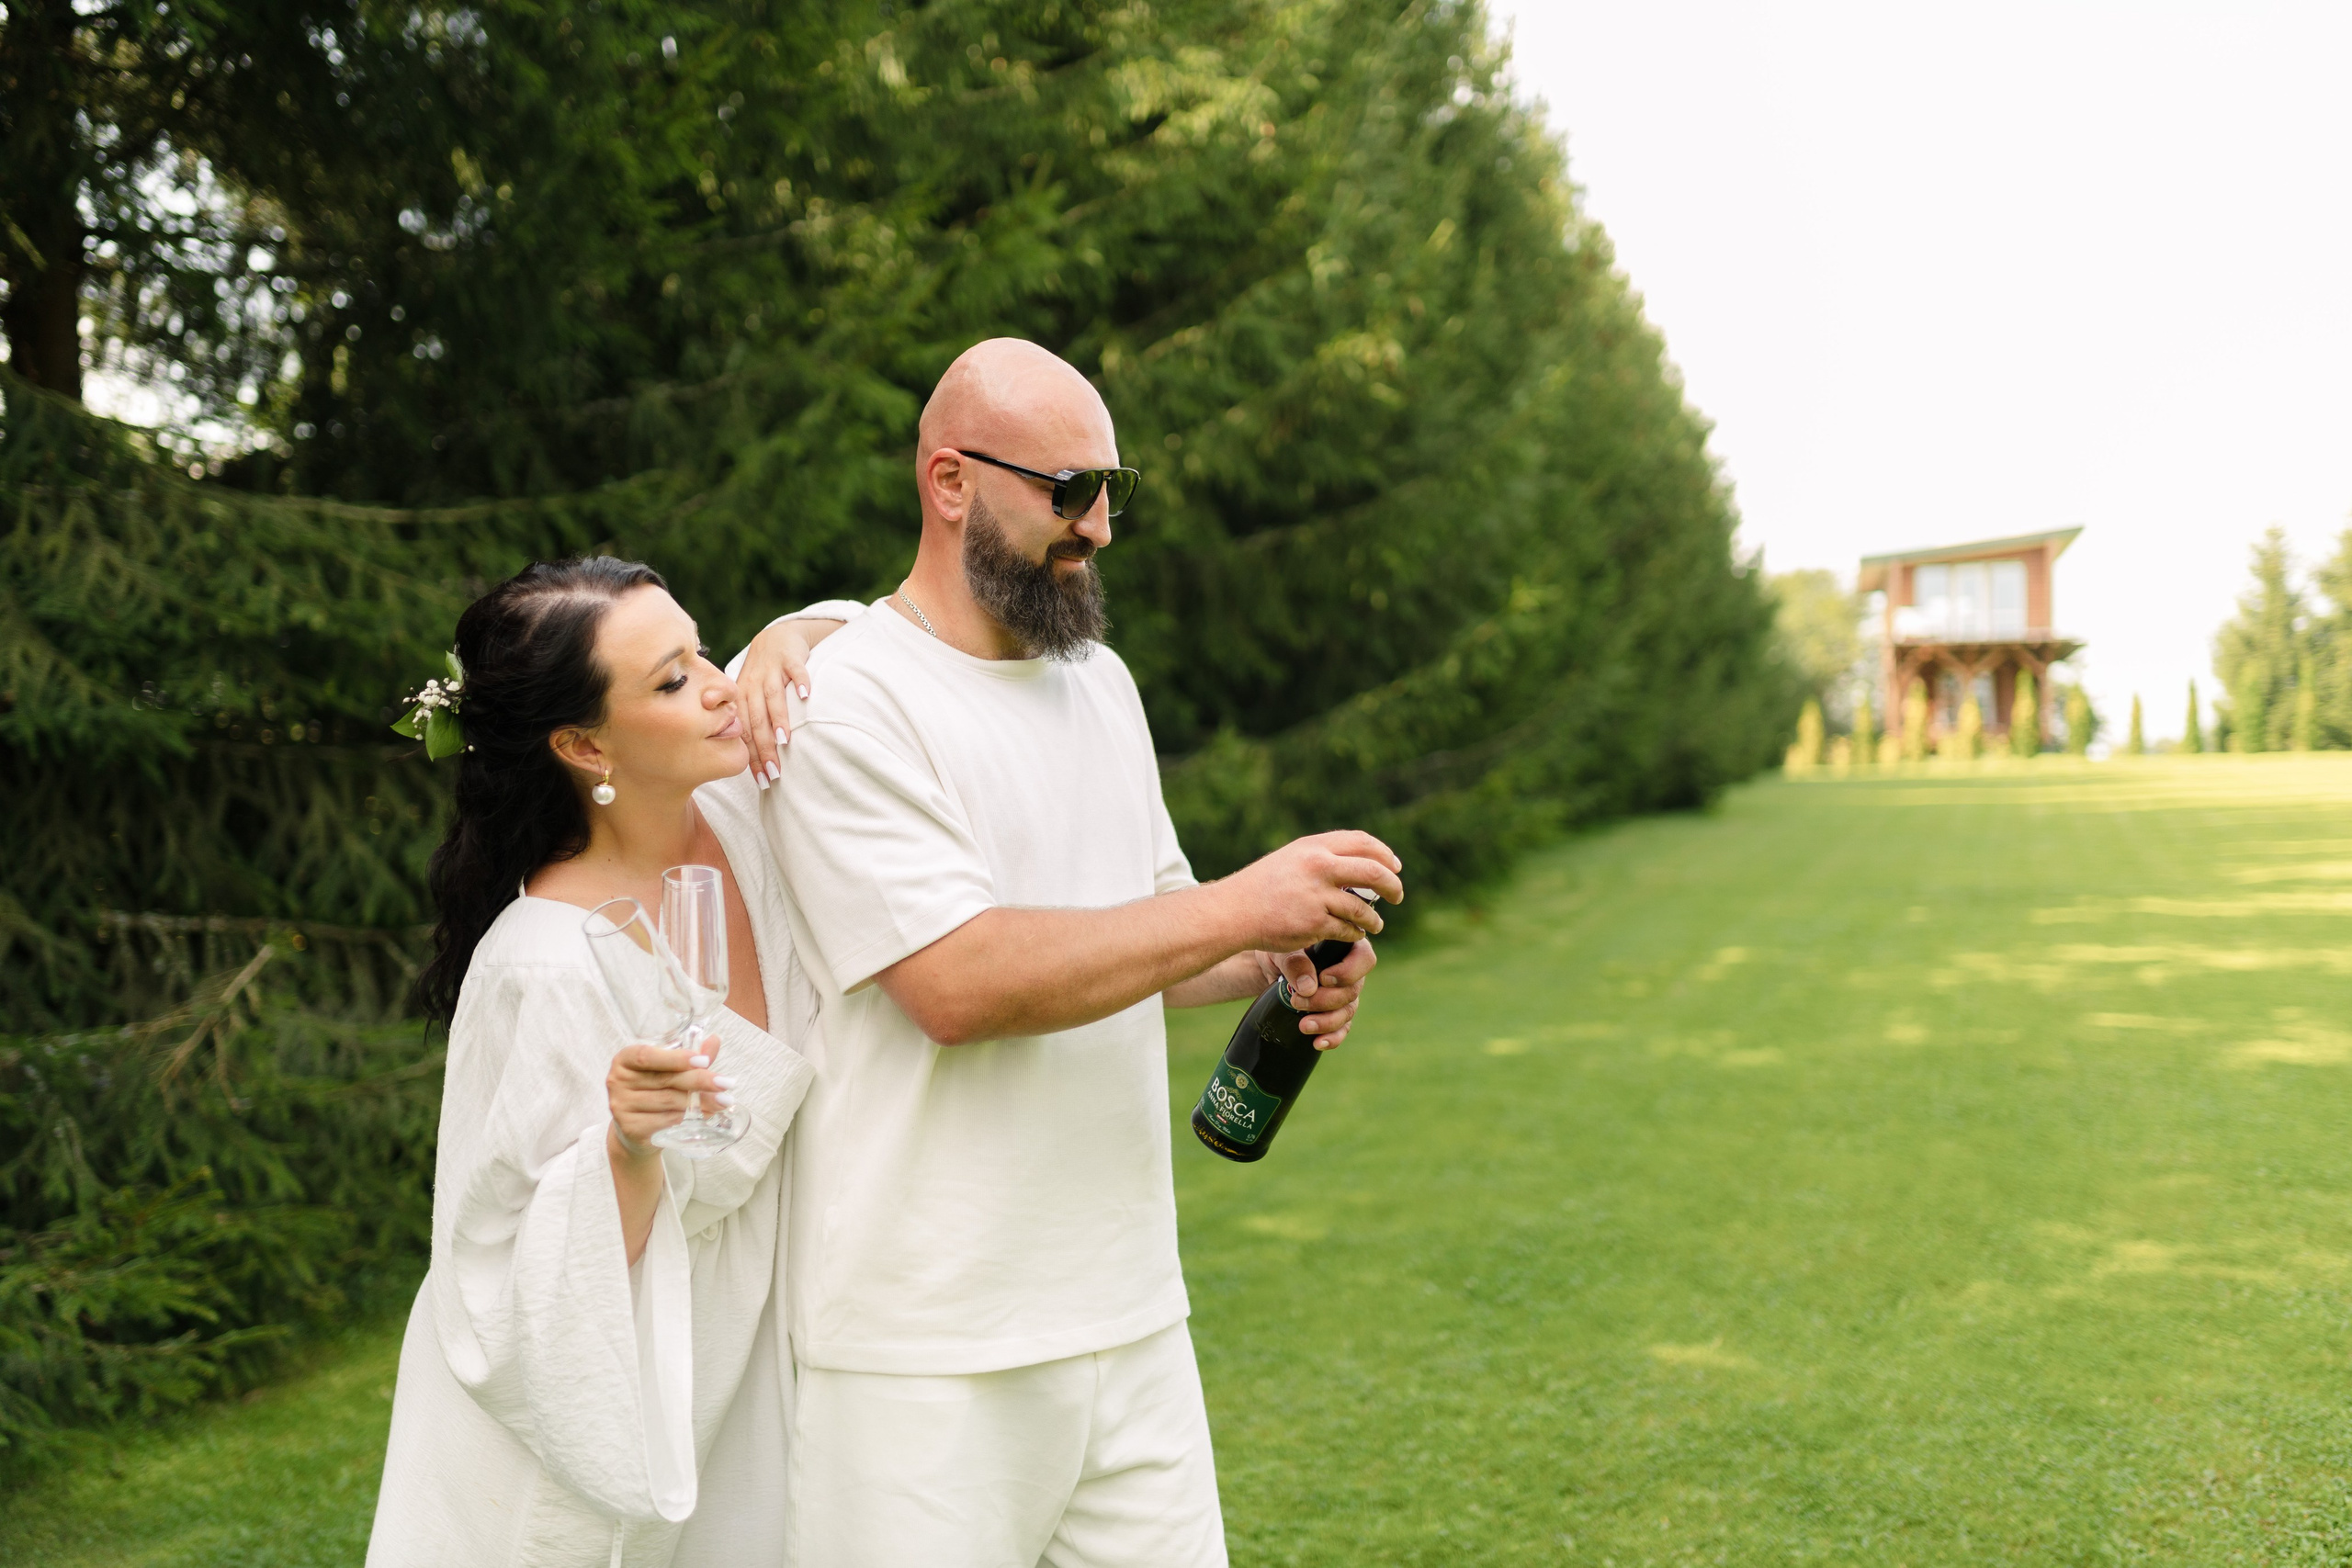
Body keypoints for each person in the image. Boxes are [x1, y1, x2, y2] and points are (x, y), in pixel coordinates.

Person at [735, 337, 1405, 1568]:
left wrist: (1275, 956)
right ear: (950, 481)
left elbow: (1153, 922)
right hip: (922, 1346)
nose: (1098, 525)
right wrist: (1242, 906)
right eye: (1067, 490)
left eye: (1112, 490)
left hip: (1133, 1310)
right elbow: (956, 980)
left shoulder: (1099, 681)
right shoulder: (846, 700)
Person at [366, 558, 858, 1568]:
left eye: (707, 648)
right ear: (584, 743)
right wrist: (627, 1148)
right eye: (673, 681)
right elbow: (505, 1268)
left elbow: (887, 637)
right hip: (601, 1393)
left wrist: (791, 635)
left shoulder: (750, 817)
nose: (720, 684)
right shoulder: (542, 964)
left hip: (758, 1343)